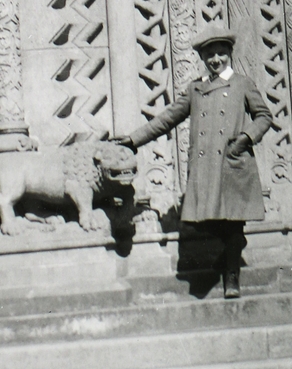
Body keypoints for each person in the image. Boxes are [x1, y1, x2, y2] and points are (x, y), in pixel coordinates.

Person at [115, 27, 270, 298]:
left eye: (221, 53)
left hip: (233, 162)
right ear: (202, 58)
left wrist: (245, 138)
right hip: (206, 167)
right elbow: (168, 118)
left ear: (229, 54)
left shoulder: (242, 84)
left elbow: (264, 116)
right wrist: (132, 140)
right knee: (209, 222)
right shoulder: (196, 89)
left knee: (234, 222)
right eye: (209, 55)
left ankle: (231, 275)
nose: (216, 59)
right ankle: (227, 257)